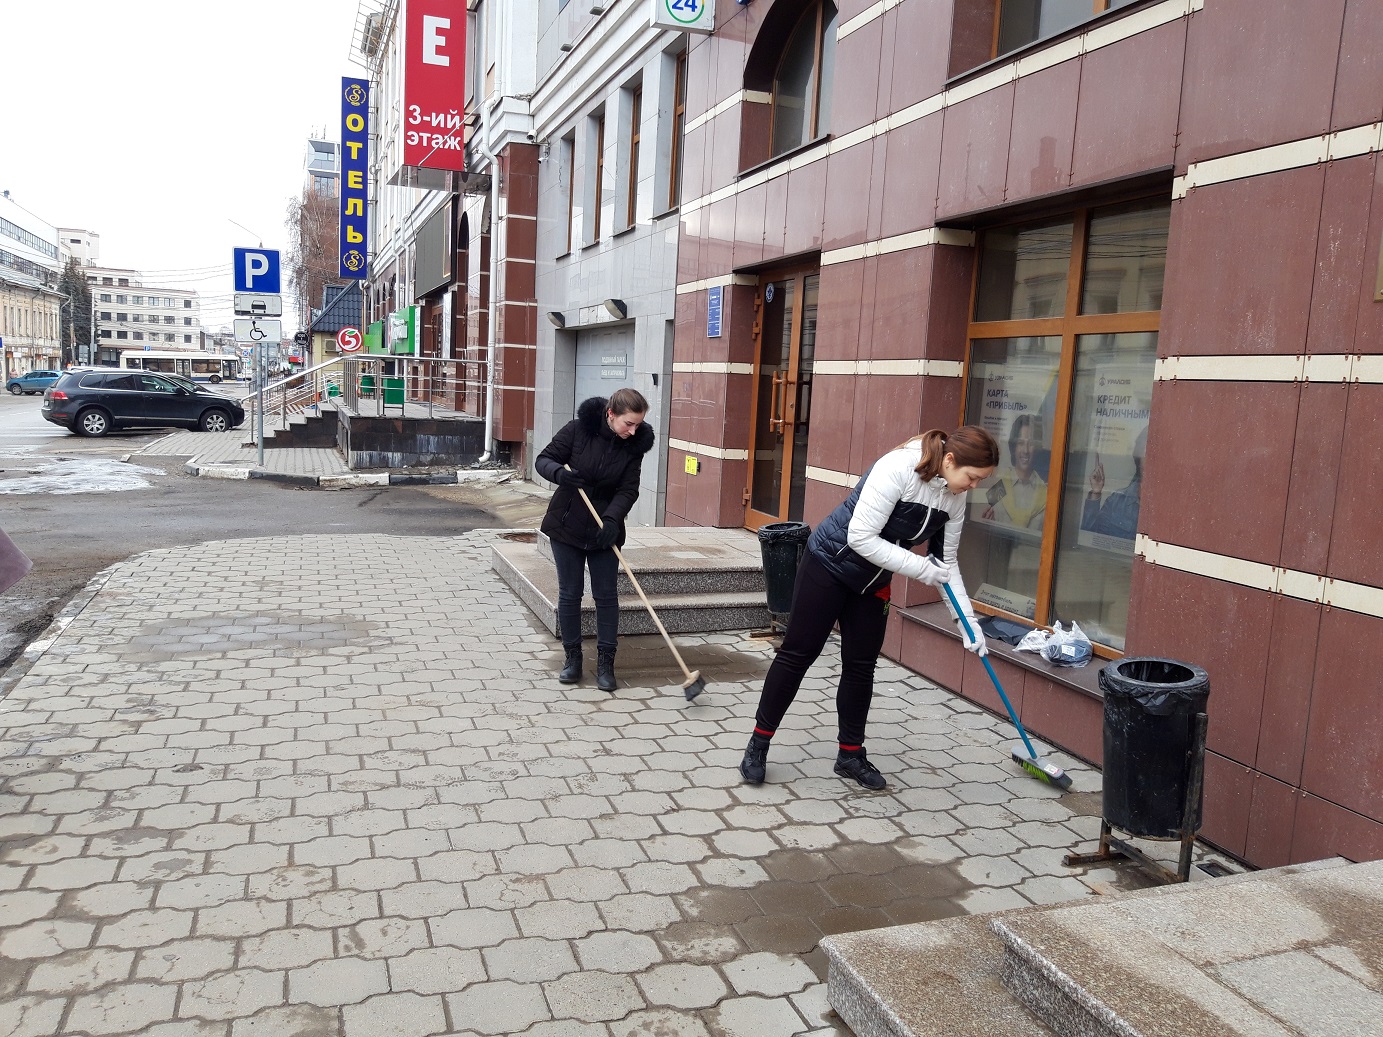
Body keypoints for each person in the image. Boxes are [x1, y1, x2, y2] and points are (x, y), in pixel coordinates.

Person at [738, 425, 999, 790]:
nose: (973, 487)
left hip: (873, 582)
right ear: (950, 460)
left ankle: (850, 754)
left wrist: (967, 623)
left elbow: (946, 563)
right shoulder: (899, 467)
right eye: (972, 477)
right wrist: (922, 569)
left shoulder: (953, 497)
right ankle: (759, 743)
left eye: (980, 481)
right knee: (798, 655)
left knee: (861, 667)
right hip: (829, 564)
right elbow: (861, 537)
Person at [535, 389, 655, 692]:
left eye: (638, 425)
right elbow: (544, 459)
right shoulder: (578, 430)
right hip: (568, 523)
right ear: (611, 414)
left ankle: (605, 664)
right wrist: (560, 476)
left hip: (606, 529)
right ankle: (573, 659)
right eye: (629, 423)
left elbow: (628, 489)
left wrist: (613, 520)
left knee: (606, 595)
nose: (633, 430)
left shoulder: (633, 447)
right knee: (570, 593)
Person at [980, 413, 1046, 529]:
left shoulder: (1045, 492)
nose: (1025, 450)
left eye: (1030, 444)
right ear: (1013, 447)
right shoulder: (999, 486)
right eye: (1020, 443)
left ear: (1037, 448)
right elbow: (986, 521)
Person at [1082, 427, 1145, 540]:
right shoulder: (1117, 500)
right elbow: (1090, 539)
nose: (1152, 458)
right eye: (1147, 451)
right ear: (1138, 458)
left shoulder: (1169, 505)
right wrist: (1096, 492)